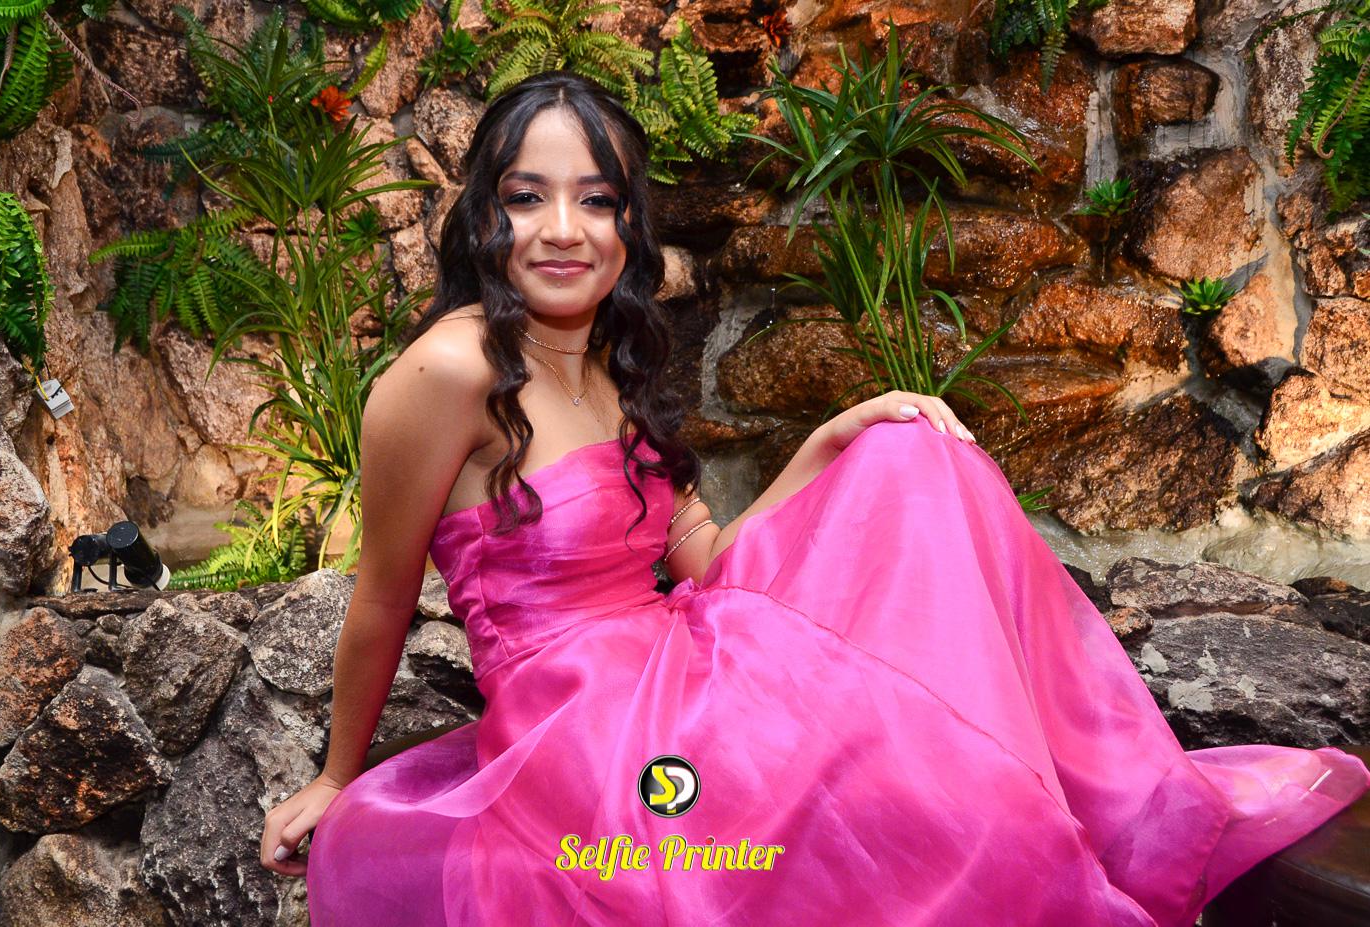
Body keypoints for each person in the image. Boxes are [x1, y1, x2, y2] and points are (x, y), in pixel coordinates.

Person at [260, 71, 1370, 926]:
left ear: (629, 222)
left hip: (674, 662)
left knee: (913, 458)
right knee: (850, 781)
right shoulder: (447, 370)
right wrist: (335, 777)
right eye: (527, 197)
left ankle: (1087, 805)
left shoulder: (611, 355)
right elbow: (381, 595)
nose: (563, 229)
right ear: (481, 217)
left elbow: (702, 557)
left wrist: (833, 438)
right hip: (577, 732)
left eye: (595, 200)